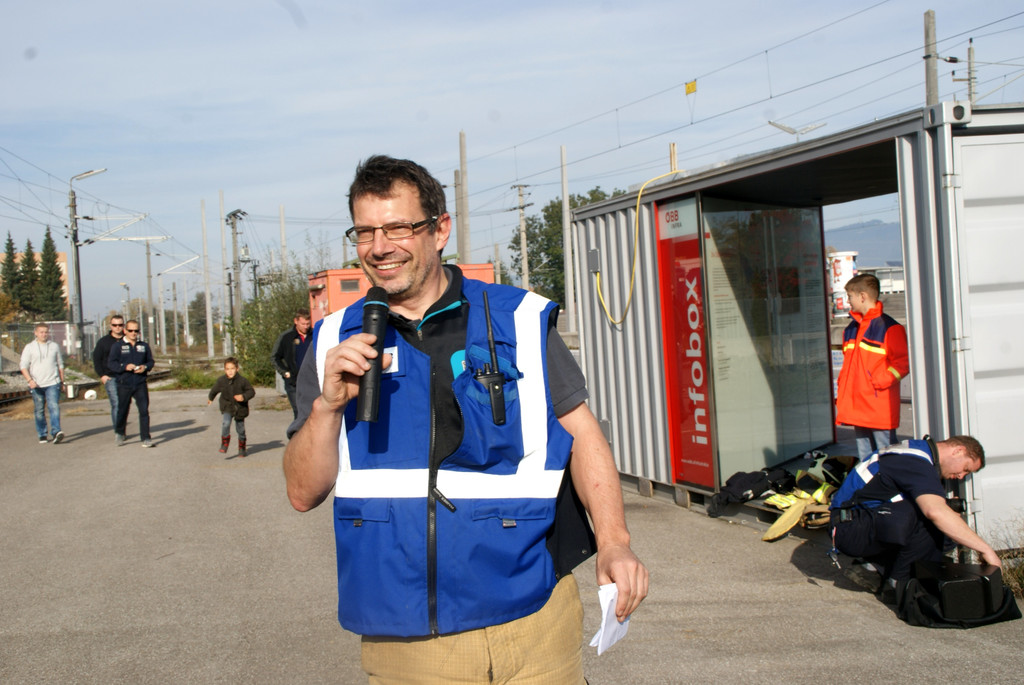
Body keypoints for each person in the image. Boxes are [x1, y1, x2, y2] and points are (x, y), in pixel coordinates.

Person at [283, 155, 648, 683]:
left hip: (533, 617)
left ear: (440, 229)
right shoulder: (332, 340)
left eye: (398, 228)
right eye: (365, 232)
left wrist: (614, 540)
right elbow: (301, 492)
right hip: (408, 635)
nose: (379, 247)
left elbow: (583, 434)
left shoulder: (518, 319)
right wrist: (327, 406)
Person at [829, 435, 1001, 592]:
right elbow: (935, 511)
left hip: (857, 522)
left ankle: (873, 567)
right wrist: (985, 550)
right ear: (958, 451)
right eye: (965, 469)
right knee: (934, 518)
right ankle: (902, 584)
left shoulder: (919, 453)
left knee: (948, 528)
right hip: (849, 528)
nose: (961, 476)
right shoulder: (915, 461)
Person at [835, 273, 909, 460]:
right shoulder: (851, 329)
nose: (848, 301)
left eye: (850, 296)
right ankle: (868, 487)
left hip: (878, 406)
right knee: (865, 458)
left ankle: (888, 488)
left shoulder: (890, 328)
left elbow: (902, 363)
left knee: (886, 456)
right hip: (859, 405)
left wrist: (877, 382)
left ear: (862, 296)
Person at [107, 319, 156, 447]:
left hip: (140, 383)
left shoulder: (143, 346)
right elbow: (111, 364)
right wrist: (124, 366)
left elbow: (150, 362)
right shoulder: (118, 346)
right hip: (124, 383)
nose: (133, 333)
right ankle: (119, 432)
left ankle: (146, 437)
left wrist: (144, 367)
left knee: (144, 410)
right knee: (123, 409)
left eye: (136, 331)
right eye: (130, 330)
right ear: (125, 331)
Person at [20, 323, 65, 444]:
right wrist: (30, 380)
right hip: (37, 384)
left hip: (53, 382)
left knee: (53, 406)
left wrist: (62, 381)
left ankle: (56, 432)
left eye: (46, 332)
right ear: (35, 333)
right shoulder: (29, 347)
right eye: (41, 332)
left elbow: (60, 365)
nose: (44, 334)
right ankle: (42, 433)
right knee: (39, 410)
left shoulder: (54, 346)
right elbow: (23, 366)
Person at [207, 357, 256, 457]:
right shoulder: (221, 381)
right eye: (227, 369)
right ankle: (224, 442)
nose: (230, 371)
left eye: (232, 368)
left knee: (240, 429)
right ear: (225, 370)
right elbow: (214, 390)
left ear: (237, 369)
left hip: (240, 408)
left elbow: (251, 391)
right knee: (226, 423)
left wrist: (243, 397)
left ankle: (242, 448)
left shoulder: (242, 381)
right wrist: (210, 398)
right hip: (227, 406)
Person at [271, 308, 311, 420]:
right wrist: (285, 372)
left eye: (308, 324)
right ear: (296, 321)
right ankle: (298, 436)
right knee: (299, 413)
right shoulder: (286, 337)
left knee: (312, 412)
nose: (306, 326)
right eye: (303, 324)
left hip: (311, 381)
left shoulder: (314, 335)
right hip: (293, 382)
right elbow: (275, 357)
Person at [92, 314, 125, 432]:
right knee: (116, 403)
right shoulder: (103, 342)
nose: (117, 327)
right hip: (110, 377)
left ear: (123, 325)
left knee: (124, 404)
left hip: (126, 377)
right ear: (110, 326)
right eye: (115, 325)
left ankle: (121, 427)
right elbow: (96, 359)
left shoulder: (128, 340)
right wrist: (102, 375)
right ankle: (119, 431)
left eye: (120, 325)